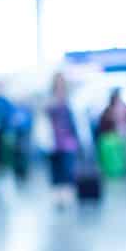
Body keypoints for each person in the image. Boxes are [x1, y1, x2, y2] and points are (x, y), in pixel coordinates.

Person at [44, 73, 83, 205]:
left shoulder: (70, 99)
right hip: (53, 141)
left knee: (68, 168)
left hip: (68, 141)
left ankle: (68, 195)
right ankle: (58, 195)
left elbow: (75, 121)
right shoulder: (49, 100)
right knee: (56, 169)